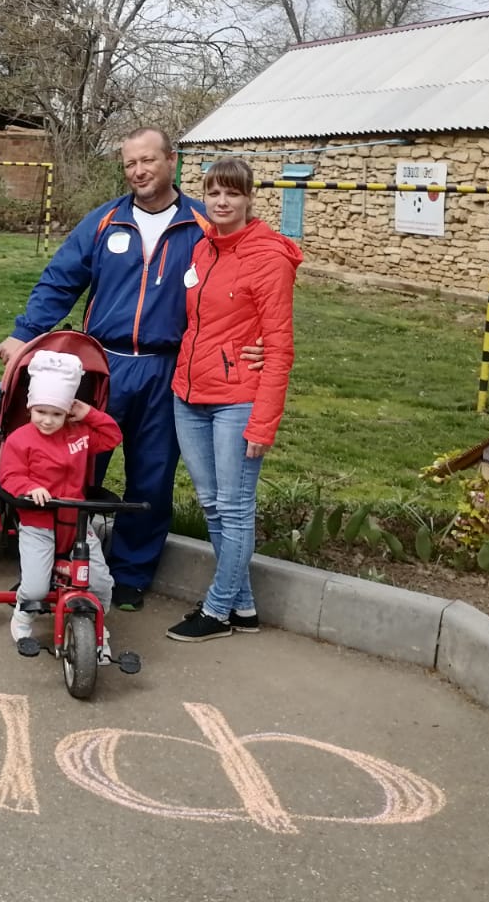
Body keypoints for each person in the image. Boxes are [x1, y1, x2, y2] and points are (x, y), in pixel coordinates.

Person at [0, 128, 219, 614]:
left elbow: (236, 288)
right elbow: (60, 280)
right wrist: (25, 332)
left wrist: (249, 346)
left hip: (168, 367)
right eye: (129, 164)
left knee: (152, 476)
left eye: (148, 161)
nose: (138, 171)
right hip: (103, 367)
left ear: (171, 161)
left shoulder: (202, 224)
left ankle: (132, 573)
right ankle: (51, 565)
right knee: (71, 465)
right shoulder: (105, 222)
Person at [165, 158, 301, 643]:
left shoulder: (268, 257)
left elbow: (279, 347)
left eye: (233, 194)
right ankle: (243, 606)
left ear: (249, 199)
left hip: (237, 399)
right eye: (214, 193)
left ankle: (218, 609)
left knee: (235, 505)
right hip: (190, 394)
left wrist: (263, 424)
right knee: (212, 505)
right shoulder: (204, 250)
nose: (222, 202)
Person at [0, 351, 122, 650]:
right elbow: (8, 476)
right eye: (41, 412)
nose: (48, 420)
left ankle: (96, 626)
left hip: (76, 522)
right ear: (30, 408)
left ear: (69, 412)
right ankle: (23, 617)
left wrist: (88, 413)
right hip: (39, 522)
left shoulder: (79, 435)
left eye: (57, 413)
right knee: (36, 585)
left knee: (101, 582)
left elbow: (113, 437)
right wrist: (29, 486)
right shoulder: (21, 439)